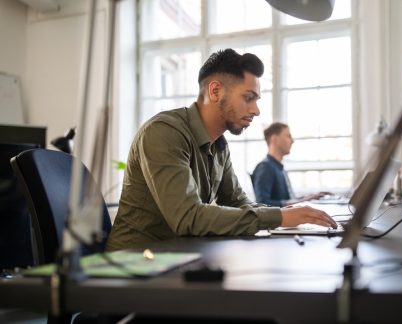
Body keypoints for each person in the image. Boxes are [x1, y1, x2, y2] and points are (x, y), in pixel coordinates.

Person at [106, 49, 336, 251]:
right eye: (248, 98)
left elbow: (239, 202)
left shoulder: (218, 145)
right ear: (215, 91)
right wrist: (278, 216)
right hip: (133, 264)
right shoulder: (164, 132)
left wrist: (292, 214)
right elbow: (189, 217)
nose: (256, 110)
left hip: (176, 255)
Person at [252, 122, 329, 207]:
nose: (292, 141)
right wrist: (303, 200)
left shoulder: (279, 167)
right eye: (288, 136)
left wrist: (307, 197)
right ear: (274, 139)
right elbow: (262, 203)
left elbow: (287, 199)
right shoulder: (265, 167)